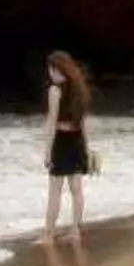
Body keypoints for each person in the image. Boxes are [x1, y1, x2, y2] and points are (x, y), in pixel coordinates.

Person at [40, 49, 93, 245]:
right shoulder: (79, 89)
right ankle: (75, 231)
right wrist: (87, 149)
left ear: (56, 69)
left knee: (55, 190)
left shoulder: (55, 90)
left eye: (51, 68)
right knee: (76, 189)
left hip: (62, 141)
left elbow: (52, 122)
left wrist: (47, 151)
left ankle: (48, 234)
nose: (49, 73)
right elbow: (83, 123)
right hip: (77, 140)